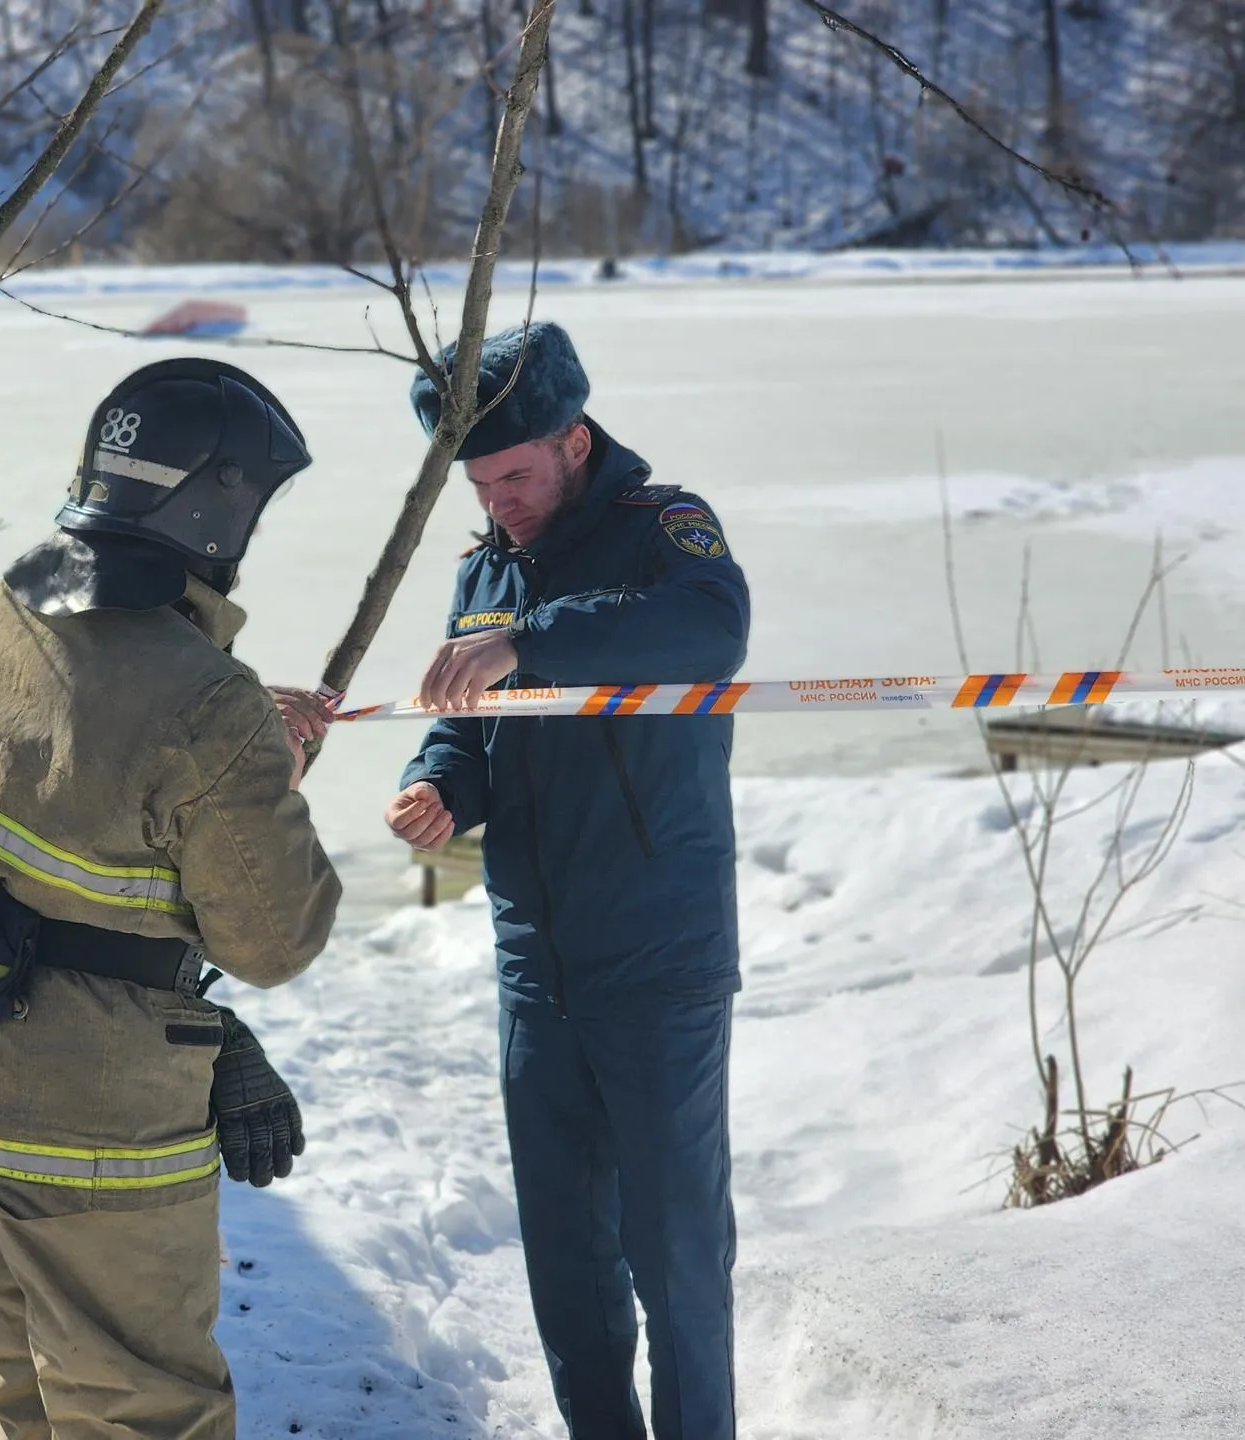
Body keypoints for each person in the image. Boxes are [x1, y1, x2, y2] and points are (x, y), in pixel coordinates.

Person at [0, 357, 342, 1440]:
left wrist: (234, 728)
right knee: (142, 1415)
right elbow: (276, 939)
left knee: (25, 1400)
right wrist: (261, 763)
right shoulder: (211, 705)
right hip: (94, 1119)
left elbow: (86, 746)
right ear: (217, 508)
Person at [384, 321, 750, 1440]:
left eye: (517, 477)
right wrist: (438, 784)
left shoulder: (664, 529)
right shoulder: (484, 569)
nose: (501, 504)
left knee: (676, 1251)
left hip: (658, 956)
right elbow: (466, 724)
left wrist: (531, 640)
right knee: (565, 1256)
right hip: (535, 965)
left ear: (574, 442)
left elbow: (711, 629)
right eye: (481, 486)